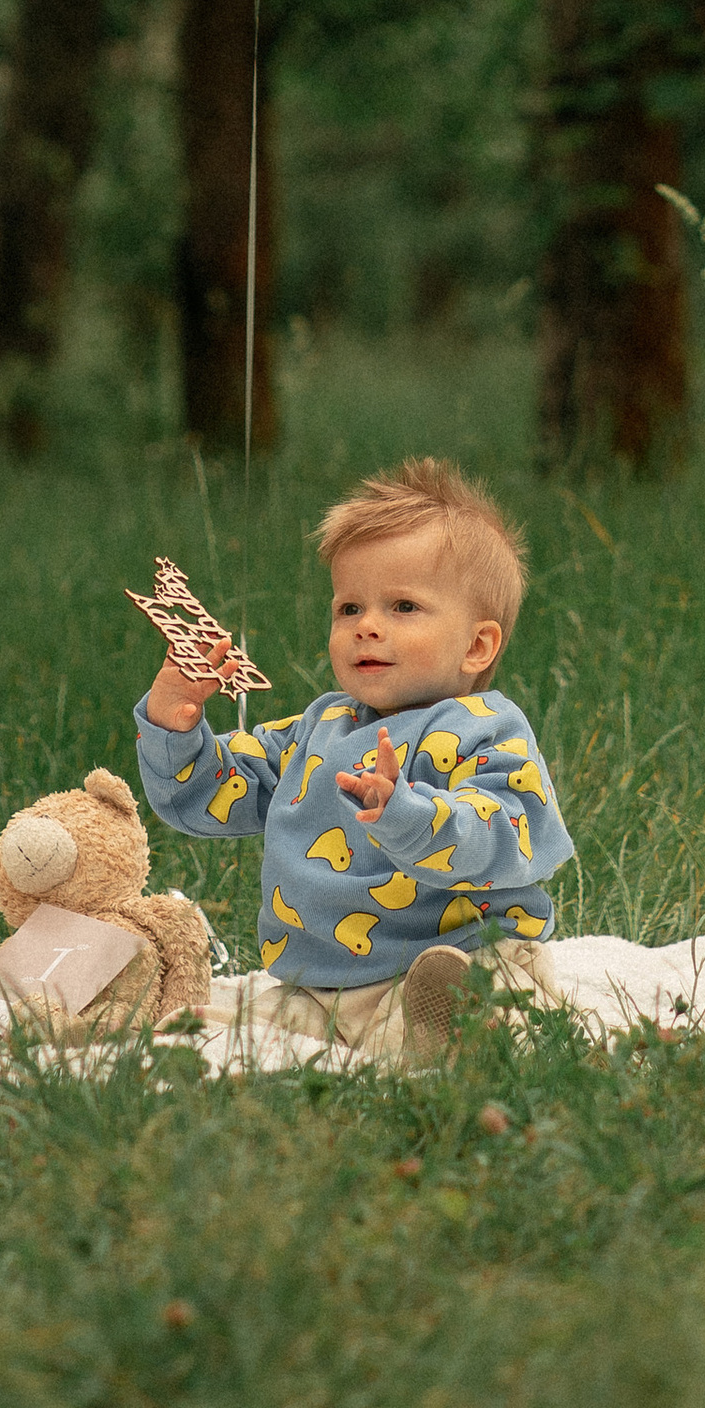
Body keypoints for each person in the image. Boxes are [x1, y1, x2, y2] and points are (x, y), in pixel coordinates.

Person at [132, 455, 572, 1065]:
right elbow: (211, 795)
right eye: (349, 608)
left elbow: (503, 832)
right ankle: (389, 1042)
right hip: (323, 984)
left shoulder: (486, 729)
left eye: (403, 607)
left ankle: (453, 1033)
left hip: (462, 955)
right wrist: (174, 726)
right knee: (220, 1032)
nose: (367, 626)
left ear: (477, 645)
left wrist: (405, 813)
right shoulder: (321, 726)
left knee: (491, 997)